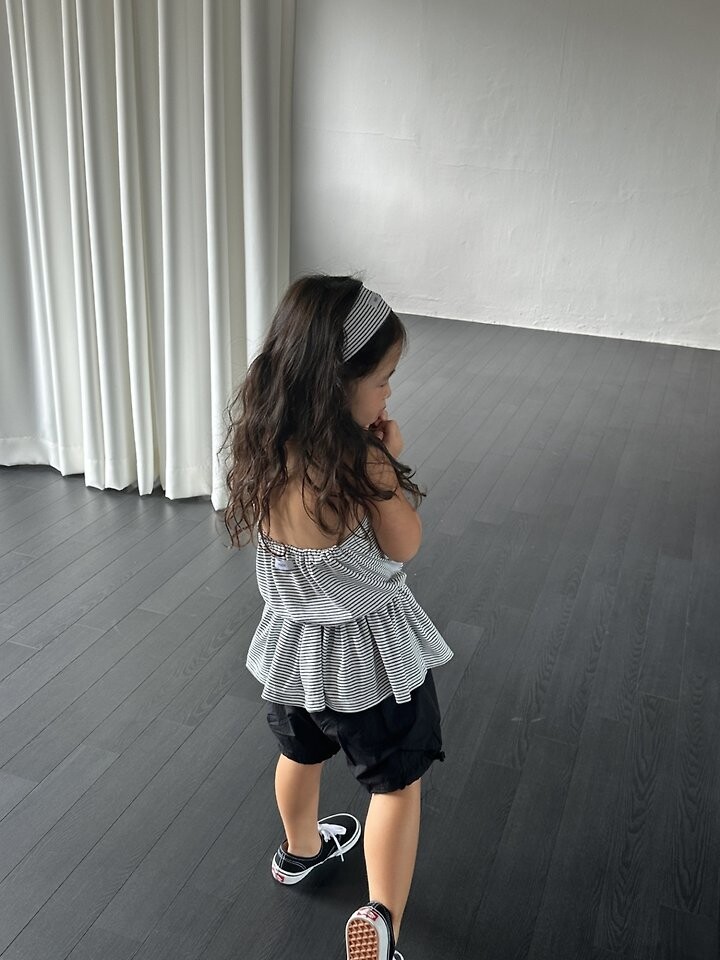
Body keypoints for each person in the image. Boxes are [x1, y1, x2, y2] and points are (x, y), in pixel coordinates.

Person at [222, 275, 453, 960]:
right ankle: (381, 922)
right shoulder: (361, 465)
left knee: (298, 754)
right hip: (368, 666)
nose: (389, 394)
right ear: (335, 385)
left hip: (292, 658)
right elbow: (405, 543)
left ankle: (300, 850)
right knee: (396, 788)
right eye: (383, 380)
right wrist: (386, 463)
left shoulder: (265, 451)